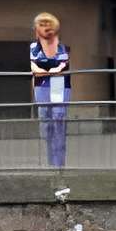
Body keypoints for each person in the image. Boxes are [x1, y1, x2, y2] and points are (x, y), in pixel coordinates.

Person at [27, 13, 73, 168]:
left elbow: (61, 70)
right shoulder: (34, 48)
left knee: (58, 120)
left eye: (48, 25)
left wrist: (46, 70)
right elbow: (35, 70)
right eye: (41, 25)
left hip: (59, 84)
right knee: (46, 123)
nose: (46, 28)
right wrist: (51, 70)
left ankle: (59, 165)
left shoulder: (62, 48)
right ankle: (50, 163)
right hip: (41, 86)